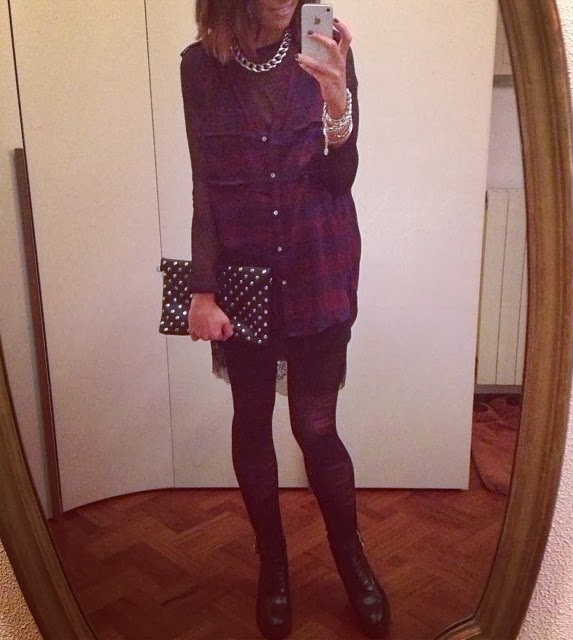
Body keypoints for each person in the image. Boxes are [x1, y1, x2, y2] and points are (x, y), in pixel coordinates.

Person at [180, 1, 390, 638]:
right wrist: (202, 289)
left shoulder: (325, 49)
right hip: (242, 279)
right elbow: (203, 184)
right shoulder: (200, 68)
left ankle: (351, 559)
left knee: (315, 428)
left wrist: (338, 106)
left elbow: (341, 177)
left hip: (318, 266)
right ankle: (273, 565)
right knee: (251, 420)